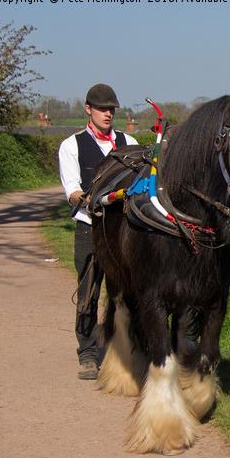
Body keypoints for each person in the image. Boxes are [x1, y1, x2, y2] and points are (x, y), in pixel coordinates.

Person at [58, 83, 139, 380]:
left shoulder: (127, 141)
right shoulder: (71, 145)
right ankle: (88, 352)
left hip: (122, 232)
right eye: (102, 108)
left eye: (112, 109)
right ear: (88, 109)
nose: (108, 114)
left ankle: (126, 348)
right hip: (90, 228)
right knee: (89, 292)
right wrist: (90, 198)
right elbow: (72, 191)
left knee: (126, 292)